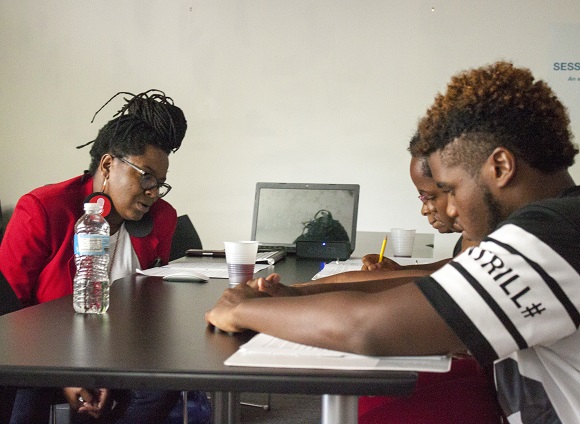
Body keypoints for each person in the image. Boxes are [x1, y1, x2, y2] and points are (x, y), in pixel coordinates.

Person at [205, 61, 580, 423]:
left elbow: (366, 328)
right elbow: (428, 285)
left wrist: (239, 310)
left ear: (500, 167)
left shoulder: (553, 236)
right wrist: (299, 296)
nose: (448, 208)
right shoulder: (555, 227)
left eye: (449, 189)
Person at [0, 90, 208, 423]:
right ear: (109, 165)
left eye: (161, 184)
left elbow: (151, 305)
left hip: (121, 349)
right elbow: (10, 318)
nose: (153, 192)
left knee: (163, 384)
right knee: (27, 386)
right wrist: (64, 371)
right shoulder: (42, 210)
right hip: (42, 353)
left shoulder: (162, 218)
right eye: (147, 178)